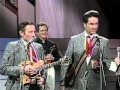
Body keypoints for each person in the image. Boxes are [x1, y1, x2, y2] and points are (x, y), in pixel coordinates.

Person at [60, 10, 120, 90]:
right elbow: (66, 63)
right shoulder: (74, 40)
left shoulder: (103, 41)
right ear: (84, 24)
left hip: (96, 84)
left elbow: (107, 63)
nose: (95, 27)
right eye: (91, 24)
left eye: (96, 24)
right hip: (77, 84)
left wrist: (116, 66)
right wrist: (62, 84)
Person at [0, 21, 45, 90]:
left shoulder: (39, 47)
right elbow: (3, 69)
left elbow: (43, 67)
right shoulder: (13, 46)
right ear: (21, 33)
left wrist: (42, 78)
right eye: (30, 32)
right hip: (19, 86)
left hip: (36, 86)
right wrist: (23, 70)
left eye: (34, 32)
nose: (33, 35)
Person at [36, 22, 61, 90]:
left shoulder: (52, 44)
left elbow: (59, 59)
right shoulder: (33, 43)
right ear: (37, 32)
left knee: (50, 88)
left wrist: (52, 58)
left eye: (45, 30)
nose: (44, 32)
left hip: (50, 68)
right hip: (37, 69)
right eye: (42, 30)